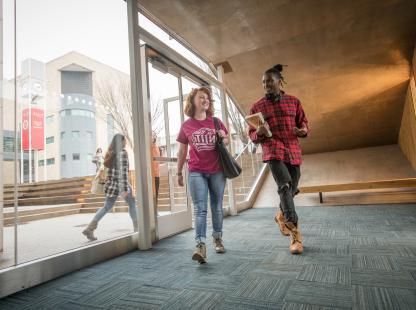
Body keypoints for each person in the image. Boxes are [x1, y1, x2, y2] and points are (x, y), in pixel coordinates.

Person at [248, 64, 309, 255]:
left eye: (270, 81)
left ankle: (281, 214)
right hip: (273, 150)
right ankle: (295, 236)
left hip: (292, 150)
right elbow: (251, 135)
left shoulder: (294, 101)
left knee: (292, 188)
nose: (266, 84)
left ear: (279, 82)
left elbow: (304, 123)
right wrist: (258, 133)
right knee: (284, 186)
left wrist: (303, 130)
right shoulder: (256, 106)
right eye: (263, 82)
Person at [176, 87, 229, 264]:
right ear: (193, 101)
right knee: (200, 208)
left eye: (207, 98)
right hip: (196, 170)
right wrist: (178, 172)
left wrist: (222, 135)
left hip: (217, 170)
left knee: (217, 206)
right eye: (201, 97)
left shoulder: (215, 121)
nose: (205, 100)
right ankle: (200, 245)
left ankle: (217, 238)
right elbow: (182, 150)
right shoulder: (186, 125)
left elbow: (226, 139)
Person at [82, 134, 138, 241]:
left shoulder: (111, 153)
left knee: (106, 207)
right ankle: (137, 228)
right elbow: (123, 173)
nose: (125, 143)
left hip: (111, 185)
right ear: (120, 142)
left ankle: (90, 228)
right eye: (124, 141)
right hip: (121, 184)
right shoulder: (123, 153)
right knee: (132, 204)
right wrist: (125, 188)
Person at [151, 133, 161, 202]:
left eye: (154, 137)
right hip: (151, 175)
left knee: (156, 195)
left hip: (156, 175)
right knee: (152, 195)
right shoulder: (149, 148)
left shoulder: (157, 148)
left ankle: (155, 211)